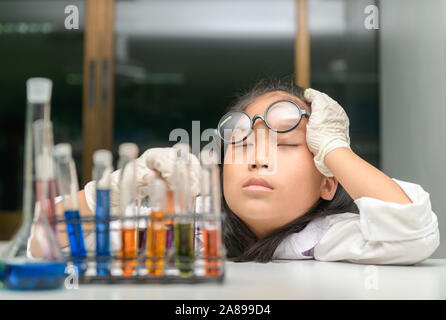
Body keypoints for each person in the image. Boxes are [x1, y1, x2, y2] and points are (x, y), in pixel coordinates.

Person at [61, 77, 440, 265]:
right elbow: (51, 238)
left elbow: (414, 230)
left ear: (327, 183)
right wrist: (114, 190)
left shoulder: (329, 235)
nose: (258, 159)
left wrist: (334, 149)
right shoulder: (187, 225)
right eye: (241, 143)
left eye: (288, 145)